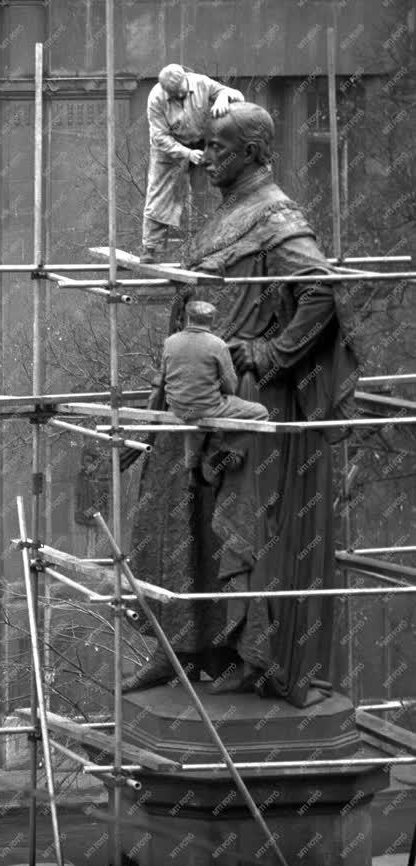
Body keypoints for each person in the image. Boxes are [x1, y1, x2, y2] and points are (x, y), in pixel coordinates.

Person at [124, 102, 359, 707]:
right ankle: (182, 645)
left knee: (236, 526)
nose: (208, 162)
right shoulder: (228, 214)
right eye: (206, 150)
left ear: (254, 152)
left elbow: (321, 291)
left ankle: (245, 656)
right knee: (175, 512)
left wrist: (271, 354)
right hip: (195, 391)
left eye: (220, 151)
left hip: (242, 396)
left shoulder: (278, 216)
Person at [141, 63, 244, 263]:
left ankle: (211, 243)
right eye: (175, 95)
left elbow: (237, 95)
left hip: (201, 141)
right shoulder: (156, 98)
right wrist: (187, 154)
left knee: (210, 191)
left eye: (182, 92)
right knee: (159, 195)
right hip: (169, 147)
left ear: (186, 80)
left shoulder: (201, 82)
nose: (180, 97)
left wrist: (223, 95)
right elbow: (159, 138)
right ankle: (151, 248)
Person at [159, 299, 268, 473]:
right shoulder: (217, 345)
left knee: (193, 417)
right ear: (211, 320)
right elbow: (230, 386)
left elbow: (164, 374)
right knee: (260, 413)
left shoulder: (170, 342)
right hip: (206, 408)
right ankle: (226, 450)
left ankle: (193, 469)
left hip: (177, 407)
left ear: (189, 318)